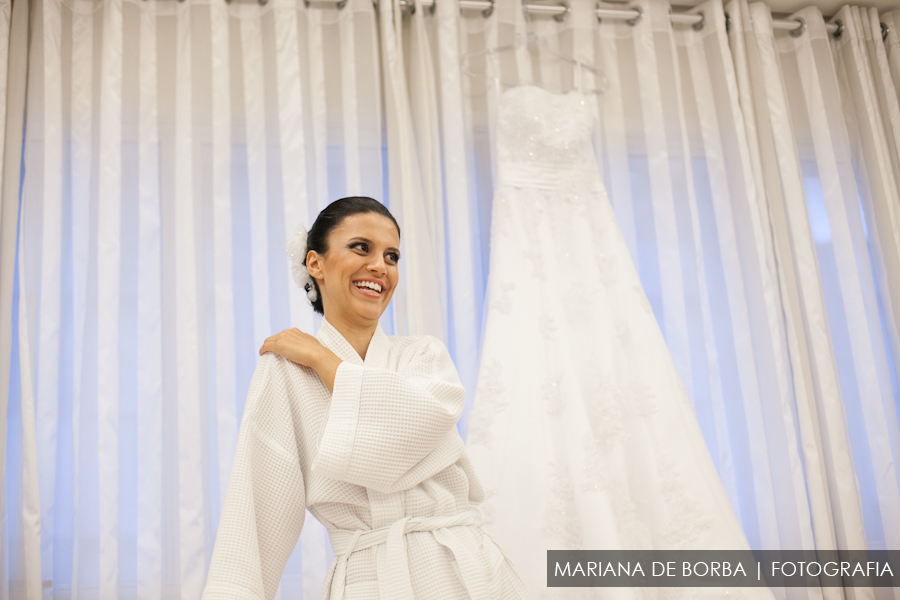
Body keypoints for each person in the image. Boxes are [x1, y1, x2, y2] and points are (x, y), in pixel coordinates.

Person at [200, 196, 528, 600]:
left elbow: (415, 424)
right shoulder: (286, 372)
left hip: (466, 571)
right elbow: (256, 505)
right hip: (369, 577)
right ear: (314, 263)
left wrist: (323, 360)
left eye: (392, 256)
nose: (380, 266)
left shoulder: (424, 356)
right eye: (361, 247)